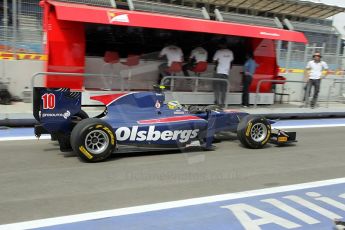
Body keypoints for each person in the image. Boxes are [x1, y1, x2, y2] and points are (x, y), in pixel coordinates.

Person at [212, 42, 234, 108]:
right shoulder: (230, 52)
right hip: (226, 73)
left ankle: (217, 102)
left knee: (216, 88)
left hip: (219, 72)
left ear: (222, 45)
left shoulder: (218, 51)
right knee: (224, 89)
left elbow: (214, 60)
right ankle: (222, 103)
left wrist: (217, 62)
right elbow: (231, 62)